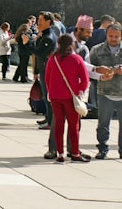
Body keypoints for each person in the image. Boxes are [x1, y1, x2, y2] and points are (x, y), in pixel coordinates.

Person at [45, 34, 91, 162]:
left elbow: (47, 78)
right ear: (72, 44)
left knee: (59, 125)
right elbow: (85, 80)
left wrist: (51, 90)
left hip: (55, 96)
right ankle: (75, 153)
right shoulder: (76, 59)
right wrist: (79, 91)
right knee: (73, 126)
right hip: (71, 96)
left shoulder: (53, 59)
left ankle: (60, 153)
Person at [88, 23, 122, 159]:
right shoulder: (97, 50)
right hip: (105, 92)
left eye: (116, 36)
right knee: (103, 124)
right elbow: (90, 69)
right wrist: (101, 73)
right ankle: (102, 148)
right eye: (111, 36)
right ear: (106, 35)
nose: (113, 39)